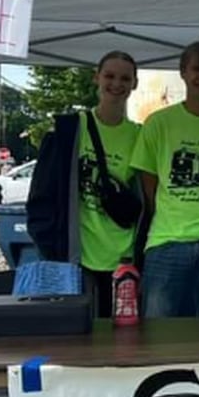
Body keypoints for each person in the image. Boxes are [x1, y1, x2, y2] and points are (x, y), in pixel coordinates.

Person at [130, 41, 199, 318]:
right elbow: (148, 181)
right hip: (166, 239)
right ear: (183, 72)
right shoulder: (158, 123)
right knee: (157, 326)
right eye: (196, 69)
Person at [26, 50, 143, 317]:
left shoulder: (140, 135)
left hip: (124, 256)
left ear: (134, 84)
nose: (117, 84)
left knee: (121, 336)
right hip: (77, 256)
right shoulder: (68, 130)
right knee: (79, 333)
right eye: (110, 76)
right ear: (96, 78)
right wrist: (47, 243)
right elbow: (42, 192)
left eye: (125, 78)